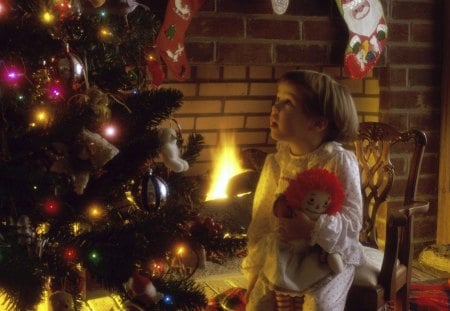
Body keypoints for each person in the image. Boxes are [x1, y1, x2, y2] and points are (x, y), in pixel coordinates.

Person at [242, 70, 365, 311]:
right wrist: (254, 273)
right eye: (277, 99)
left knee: (320, 305)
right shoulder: (275, 162)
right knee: (257, 305)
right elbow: (261, 223)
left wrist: (312, 228)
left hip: (327, 257)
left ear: (318, 123)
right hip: (282, 254)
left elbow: (352, 223)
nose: (275, 108)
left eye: (287, 102)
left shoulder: (339, 160)